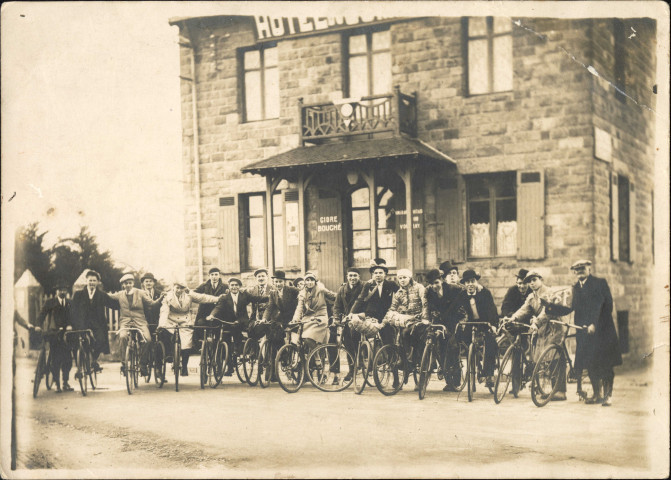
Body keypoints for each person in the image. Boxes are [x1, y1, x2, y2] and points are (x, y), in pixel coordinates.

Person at [506, 271, 568, 401]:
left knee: (555, 357)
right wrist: (512, 318)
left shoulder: (549, 293)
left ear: (541, 279)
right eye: (529, 281)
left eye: (534, 280)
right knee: (542, 358)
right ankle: (548, 389)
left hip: (554, 328)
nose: (532, 283)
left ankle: (560, 391)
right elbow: (524, 309)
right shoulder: (531, 297)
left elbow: (547, 312)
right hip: (541, 330)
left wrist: (536, 322)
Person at [570, 260, 622, 406]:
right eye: (577, 269)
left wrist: (594, 323)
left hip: (602, 330)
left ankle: (607, 395)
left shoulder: (599, 283)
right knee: (590, 362)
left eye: (582, 268)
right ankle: (596, 394)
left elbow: (603, 305)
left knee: (606, 364)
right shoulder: (576, 288)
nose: (580, 271)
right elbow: (571, 307)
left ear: (589, 268)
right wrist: (550, 308)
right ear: (574, 272)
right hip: (585, 331)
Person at [207, 277, 269, 373]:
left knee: (248, 334)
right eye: (232, 285)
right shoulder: (224, 297)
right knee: (225, 344)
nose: (234, 287)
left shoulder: (244, 295)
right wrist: (211, 315)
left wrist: (270, 297)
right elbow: (218, 308)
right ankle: (230, 366)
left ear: (239, 286)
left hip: (242, 322)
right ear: (229, 286)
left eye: (236, 285)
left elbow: (256, 298)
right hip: (229, 323)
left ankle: (250, 353)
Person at [158, 281, 220, 376]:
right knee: (166, 333)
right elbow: (164, 310)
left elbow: (203, 298)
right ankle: (170, 354)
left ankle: (184, 367)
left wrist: (218, 298)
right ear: (173, 287)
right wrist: (162, 324)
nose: (179, 290)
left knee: (186, 343)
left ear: (184, 288)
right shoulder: (168, 296)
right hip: (171, 319)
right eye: (177, 288)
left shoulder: (189, 294)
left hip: (185, 319)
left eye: (181, 288)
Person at [422, 268, 468, 391]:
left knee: (452, 347)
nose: (434, 286)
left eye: (436, 282)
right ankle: (448, 380)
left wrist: (460, 323)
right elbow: (426, 307)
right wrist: (426, 319)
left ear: (442, 280)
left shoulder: (454, 289)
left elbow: (463, 307)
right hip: (441, 321)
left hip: (457, 320)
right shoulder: (429, 292)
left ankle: (456, 381)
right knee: (440, 348)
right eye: (431, 284)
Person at [109, 273, 163, 376]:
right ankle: (124, 364)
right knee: (123, 337)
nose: (128, 285)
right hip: (125, 321)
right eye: (126, 283)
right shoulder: (120, 294)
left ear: (133, 283)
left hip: (140, 321)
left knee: (148, 340)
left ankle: (142, 364)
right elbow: (108, 297)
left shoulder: (141, 293)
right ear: (123, 285)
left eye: (130, 283)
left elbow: (151, 303)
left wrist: (160, 299)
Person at [69, 270, 119, 373]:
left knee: (100, 340)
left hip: (98, 325)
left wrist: (124, 300)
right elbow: (73, 310)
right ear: (86, 281)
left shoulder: (101, 295)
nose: (92, 283)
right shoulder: (78, 294)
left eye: (94, 281)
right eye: (90, 280)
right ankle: (83, 363)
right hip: (82, 324)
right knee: (82, 342)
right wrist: (74, 323)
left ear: (97, 282)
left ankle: (94, 360)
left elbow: (114, 305)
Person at [457, 269, 499, 388]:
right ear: (464, 284)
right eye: (467, 282)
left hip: (484, 323)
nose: (470, 284)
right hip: (470, 324)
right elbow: (457, 309)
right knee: (462, 340)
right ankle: (476, 363)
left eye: (472, 281)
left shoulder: (484, 293)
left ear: (476, 282)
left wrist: (493, 324)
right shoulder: (462, 295)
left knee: (490, 342)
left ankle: (489, 374)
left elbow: (492, 310)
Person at [34, 282, 73, 392]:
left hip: (66, 334)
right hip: (54, 334)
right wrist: (38, 325)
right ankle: (57, 383)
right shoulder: (50, 302)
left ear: (67, 291)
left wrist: (71, 325)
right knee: (55, 359)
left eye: (64, 290)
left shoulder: (70, 303)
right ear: (56, 292)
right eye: (60, 290)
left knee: (67, 359)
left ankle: (65, 382)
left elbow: (73, 316)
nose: (62, 292)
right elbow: (42, 314)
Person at [350, 258, 399, 345]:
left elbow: (400, 296)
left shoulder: (391, 284)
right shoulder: (368, 285)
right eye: (375, 273)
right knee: (369, 339)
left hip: (386, 316)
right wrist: (351, 313)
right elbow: (360, 299)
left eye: (380, 273)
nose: (378, 275)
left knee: (389, 339)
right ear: (373, 274)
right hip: (372, 316)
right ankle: (370, 355)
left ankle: (391, 356)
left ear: (385, 274)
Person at [290, 271, 336, 352]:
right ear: (305, 282)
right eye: (307, 280)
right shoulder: (302, 293)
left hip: (320, 317)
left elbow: (334, 297)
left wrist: (342, 293)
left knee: (308, 339)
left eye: (312, 280)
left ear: (315, 281)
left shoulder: (321, 290)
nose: (309, 282)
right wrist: (295, 318)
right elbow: (299, 308)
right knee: (301, 339)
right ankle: (309, 359)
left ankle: (316, 357)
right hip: (308, 318)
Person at [333, 267, 364, 378]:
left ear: (359, 277)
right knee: (347, 344)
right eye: (350, 276)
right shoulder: (342, 289)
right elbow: (337, 305)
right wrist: (336, 318)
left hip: (361, 318)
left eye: (355, 276)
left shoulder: (364, 287)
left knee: (356, 337)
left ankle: (360, 361)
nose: (352, 278)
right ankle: (352, 369)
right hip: (347, 319)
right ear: (347, 277)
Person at [256, 270, 299, 351]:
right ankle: (282, 354)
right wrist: (264, 318)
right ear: (273, 282)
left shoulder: (292, 290)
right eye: (276, 282)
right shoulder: (273, 293)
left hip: (294, 317)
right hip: (282, 318)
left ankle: (297, 355)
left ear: (284, 282)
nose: (278, 284)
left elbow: (302, 294)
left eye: (280, 281)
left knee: (295, 341)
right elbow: (270, 307)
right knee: (274, 333)